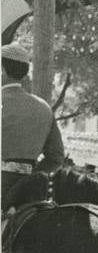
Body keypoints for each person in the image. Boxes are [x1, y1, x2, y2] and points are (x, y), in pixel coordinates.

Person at [1, 42, 64, 210]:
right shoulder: (44, 108)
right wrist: (32, 176)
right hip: (33, 193)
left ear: (3, 70)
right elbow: (57, 156)